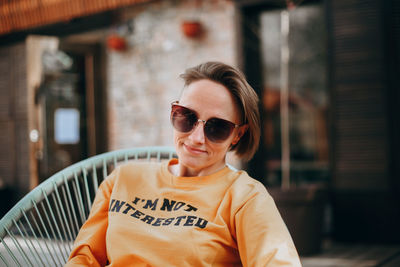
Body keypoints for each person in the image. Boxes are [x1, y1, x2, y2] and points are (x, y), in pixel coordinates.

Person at [65, 61, 301, 266]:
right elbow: (84, 258)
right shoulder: (123, 179)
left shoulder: (244, 198)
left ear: (238, 135)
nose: (196, 138)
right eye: (186, 116)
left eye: (217, 127)